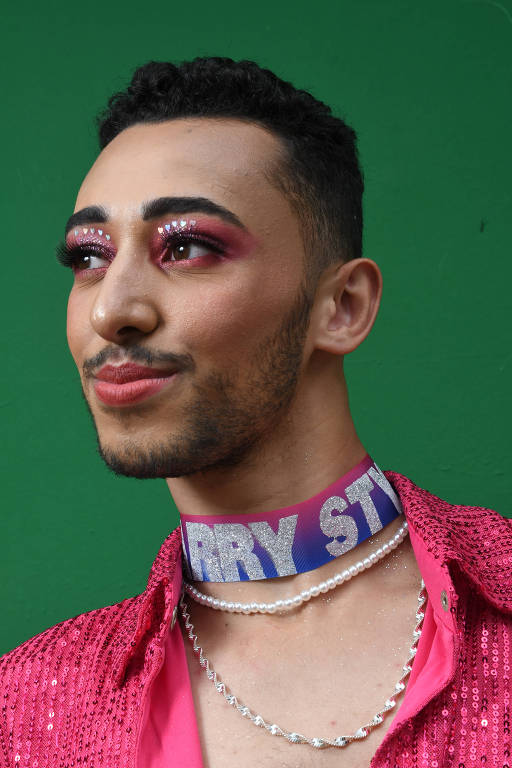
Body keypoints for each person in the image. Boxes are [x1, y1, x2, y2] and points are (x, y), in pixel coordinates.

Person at [1, 56, 510, 768]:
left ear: (342, 307)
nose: (113, 310)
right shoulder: (28, 707)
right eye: (90, 257)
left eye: (186, 246)